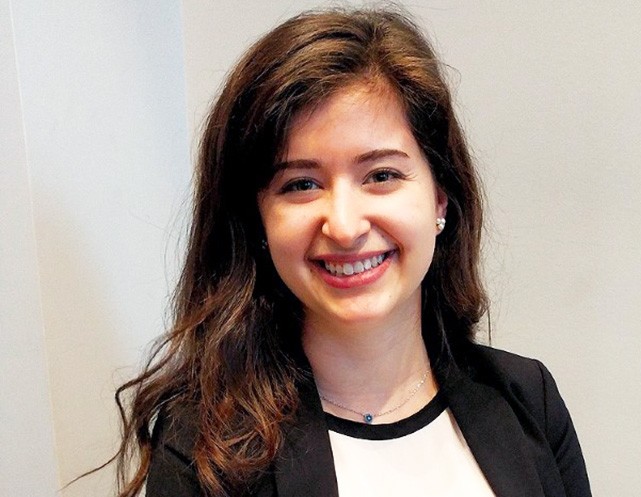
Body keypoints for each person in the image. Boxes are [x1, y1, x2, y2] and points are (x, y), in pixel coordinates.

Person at [111, 7, 591, 497]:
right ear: (258, 219)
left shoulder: (528, 401)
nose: (343, 227)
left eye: (381, 175)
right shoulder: (203, 449)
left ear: (439, 197)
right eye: (300, 184)